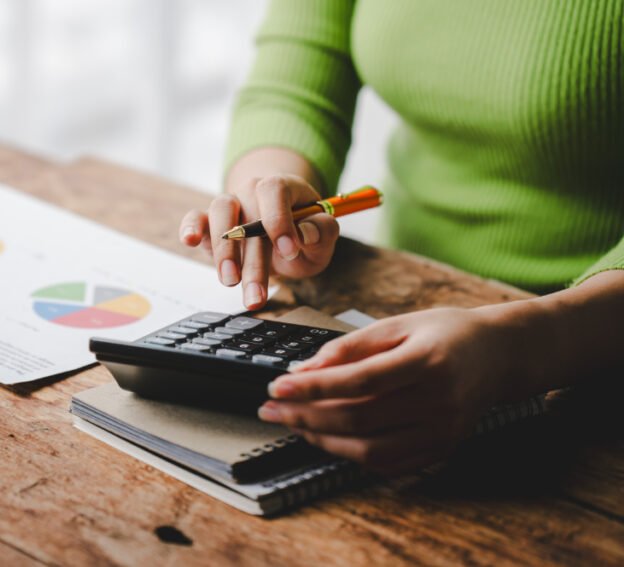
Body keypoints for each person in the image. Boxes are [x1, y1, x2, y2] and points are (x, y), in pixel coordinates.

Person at [179, 0, 623, 474]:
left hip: (591, 335)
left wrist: (524, 348)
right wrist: (269, 189)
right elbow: (298, 69)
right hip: (393, 293)